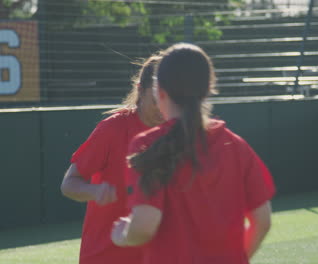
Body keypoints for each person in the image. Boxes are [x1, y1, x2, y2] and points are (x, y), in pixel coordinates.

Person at [111, 43, 275, 264]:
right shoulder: (236, 145)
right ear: (208, 89)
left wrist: (122, 234)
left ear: (160, 92)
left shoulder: (147, 143)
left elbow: (144, 226)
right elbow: (262, 220)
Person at [60, 55, 164, 264]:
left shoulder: (177, 132)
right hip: (105, 256)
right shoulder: (113, 128)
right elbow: (68, 184)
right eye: (156, 100)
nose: (163, 108)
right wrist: (94, 191)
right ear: (140, 89)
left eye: (169, 99)